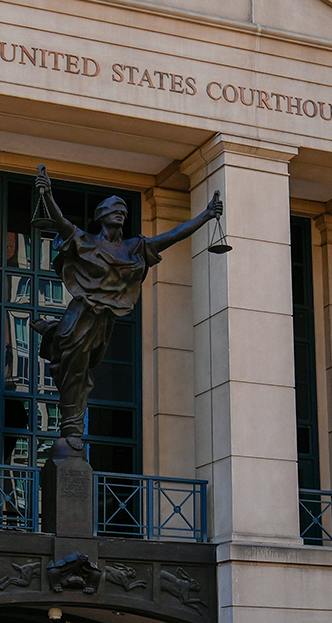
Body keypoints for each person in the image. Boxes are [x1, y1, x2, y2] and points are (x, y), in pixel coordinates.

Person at [30, 164, 222, 450]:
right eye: (113, 210)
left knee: (82, 374)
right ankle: (71, 429)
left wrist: (206, 216)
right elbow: (61, 223)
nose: (120, 213)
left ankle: (51, 334)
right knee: (74, 371)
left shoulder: (133, 248)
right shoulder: (87, 242)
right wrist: (47, 194)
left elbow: (171, 237)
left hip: (103, 321)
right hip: (80, 316)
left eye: (122, 210)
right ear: (101, 217)